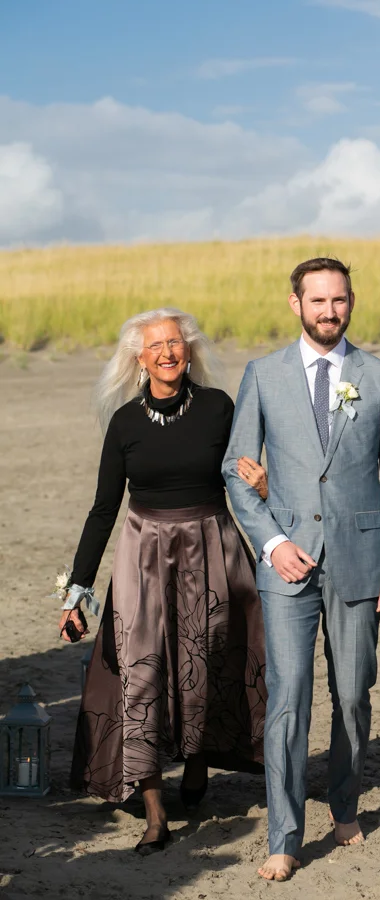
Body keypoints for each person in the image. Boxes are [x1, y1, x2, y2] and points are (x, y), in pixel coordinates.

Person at [223, 257, 380, 882]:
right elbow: (236, 467)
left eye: (338, 301)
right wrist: (272, 541)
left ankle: (345, 803)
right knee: (287, 697)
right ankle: (283, 833)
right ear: (295, 305)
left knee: (354, 693)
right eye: (317, 301)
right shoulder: (263, 374)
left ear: (351, 302)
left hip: (361, 560)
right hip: (287, 564)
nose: (328, 312)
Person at [61, 308, 267, 855]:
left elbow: (246, 478)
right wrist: (77, 591)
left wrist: (269, 494)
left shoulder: (220, 408)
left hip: (211, 546)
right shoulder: (124, 422)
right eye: (156, 346)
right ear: (139, 357)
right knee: (140, 673)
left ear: (190, 349)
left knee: (207, 660)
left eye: (175, 342)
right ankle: (155, 812)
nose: (167, 353)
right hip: (142, 555)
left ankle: (197, 762)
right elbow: (103, 509)